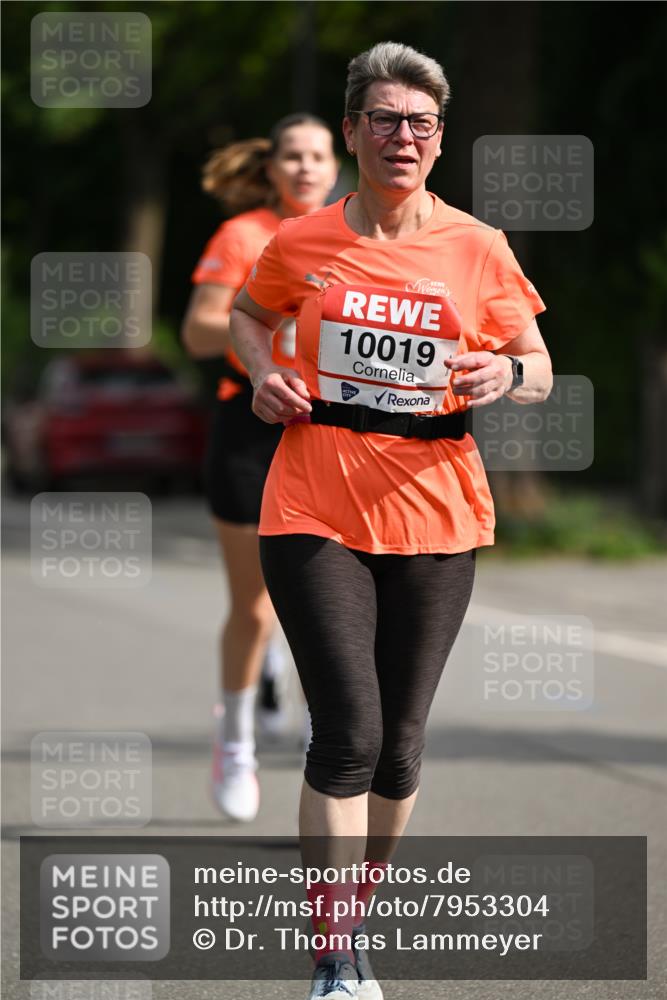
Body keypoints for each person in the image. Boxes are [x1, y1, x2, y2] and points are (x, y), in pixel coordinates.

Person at [230, 41, 552, 1000]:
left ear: (439, 139)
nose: (400, 136)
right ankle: (334, 954)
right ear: (352, 132)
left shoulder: (477, 247)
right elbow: (248, 315)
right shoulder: (303, 240)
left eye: (418, 122)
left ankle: (356, 914)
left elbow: (537, 364)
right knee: (349, 734)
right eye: (383, 119)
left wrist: (506, 370)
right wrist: (264, 372)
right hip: (312, 501)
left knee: (401, 743)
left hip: (437, 510)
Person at [181, 114, 338, 823]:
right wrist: (279, 325)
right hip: (248, 430)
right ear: (270, 169)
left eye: (317, 156)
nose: (305, 167)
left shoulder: (354, 235)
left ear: (335, 164)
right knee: (253, 606)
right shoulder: (244, 235)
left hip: (331, 432)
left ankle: (326, 757)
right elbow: (197, 331)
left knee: (329, 607)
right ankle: (235, 745)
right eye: (292, 156)